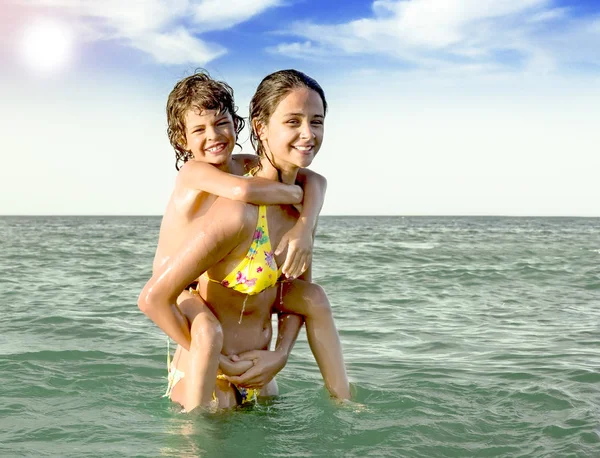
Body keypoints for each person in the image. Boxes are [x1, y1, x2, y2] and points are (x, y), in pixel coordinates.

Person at [139, 70, 350, 412]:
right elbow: (244, 191)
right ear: (260, 127)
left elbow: (315, 181)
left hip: (259, 378)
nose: (307, 134)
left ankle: (347, 409)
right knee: (206, 333)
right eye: (292, 121)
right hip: (201, 351)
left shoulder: (272, 186)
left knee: (315, 296)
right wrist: (293, 193)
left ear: (236, 126)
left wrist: (280, 355)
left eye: (316, 121)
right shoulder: (215, 187)